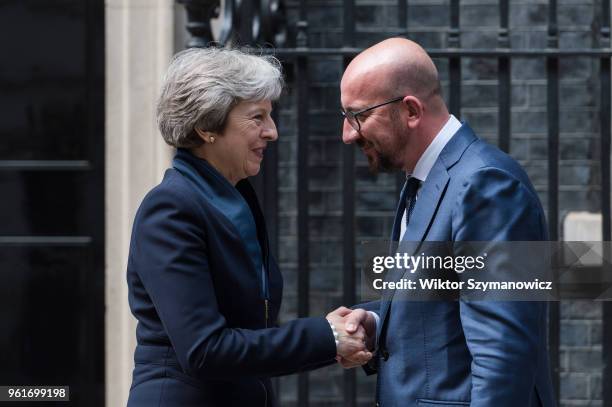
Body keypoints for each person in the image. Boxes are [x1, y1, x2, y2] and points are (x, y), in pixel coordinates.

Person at [126, 47, 371, 407]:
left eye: (270, 116)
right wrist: (325, 336)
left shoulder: (232, 198)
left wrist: (333, 339)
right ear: (206, 127)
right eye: (257, 117)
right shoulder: (170, 209)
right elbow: (205, 350)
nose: (272, 132)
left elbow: (250, 337)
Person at [337, 38, 556, 406]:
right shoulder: (425, 181)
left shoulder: (486, 184)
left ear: (410, 110)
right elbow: (445, 294)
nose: (348, 134)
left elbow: (502, 353)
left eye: (358, 115)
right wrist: (378, 323)